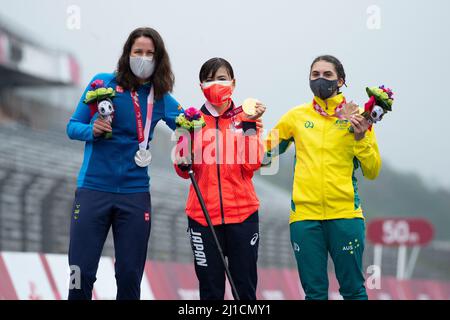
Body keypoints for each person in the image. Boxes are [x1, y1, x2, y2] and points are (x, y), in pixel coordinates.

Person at [66, 27, 183, 300]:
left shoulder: (161, 97)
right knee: (79, 274)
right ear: (127, 54)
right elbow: (73, 127)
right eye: (138, 52)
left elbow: (191, 126)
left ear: (159, 59)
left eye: (150, 54)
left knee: (130, 277)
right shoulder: (101, 84)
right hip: (94, 190)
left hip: (134, 195)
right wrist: (91, 130)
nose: (143, 58)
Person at [265, 55, 381, 300]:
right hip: (305, 219)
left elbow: (372, 171)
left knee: (353, 291)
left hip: (346, 215)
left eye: (327, 75)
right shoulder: (296, 117)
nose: (320, 79)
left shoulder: (360, 116)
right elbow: (264, 155)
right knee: (314, 293)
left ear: (341, 81)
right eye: (315, 74)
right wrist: (248, 127)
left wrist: (360, 139)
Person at [174, 57, 266, 300]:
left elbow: (252, 164)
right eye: (209, 79)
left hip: (243, 215)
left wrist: (248, 124)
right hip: (202, 217)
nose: (216, 83)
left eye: (222, 78)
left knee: (244, 289)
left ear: (233, 83)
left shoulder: (247, 119)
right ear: (201, 85)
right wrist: (185, 148)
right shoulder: (189, 120)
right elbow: (182, 171)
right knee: (210, 290)